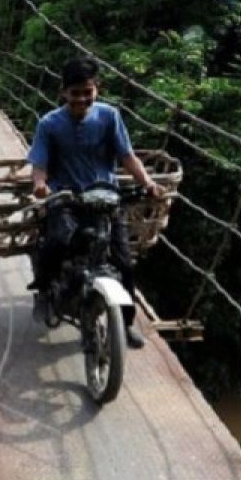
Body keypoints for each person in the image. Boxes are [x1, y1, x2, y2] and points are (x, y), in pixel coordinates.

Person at [26, 57, 165, 348]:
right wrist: (40, 185)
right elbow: (39, 165)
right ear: (63, 92)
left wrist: (148, 183)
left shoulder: (109, 116)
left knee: (124, 263)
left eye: (87, 92)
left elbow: (127, 157)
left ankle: (125, 324)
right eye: (75, 93)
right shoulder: (49, 124)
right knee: (58, 242)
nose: (82, 99)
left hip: (105, 199)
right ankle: (43, 290)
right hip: (67, 199)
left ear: (97, 89)